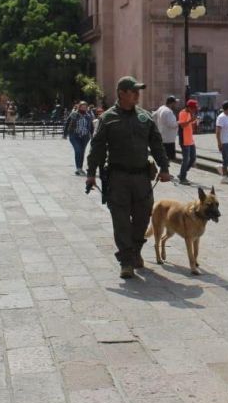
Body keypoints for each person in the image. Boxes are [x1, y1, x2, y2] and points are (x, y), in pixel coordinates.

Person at [86, 76, 171, 279]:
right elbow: (97, 148)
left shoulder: (145, 117)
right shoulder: (108, 118)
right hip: (118, 178)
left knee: (143, 218)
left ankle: (135, 251)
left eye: (138, 91)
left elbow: (157, 144)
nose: (137, 95)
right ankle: (126, 261)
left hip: (142, 177)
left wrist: (164, 167)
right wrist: (91, 174)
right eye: (134, 91)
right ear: (122, 93)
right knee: (121, 220)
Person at [64, 101, 95, 175]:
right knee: (78, 150)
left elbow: (91, 126)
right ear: (79, 107)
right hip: (74, 135)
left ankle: (80, 168)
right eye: (82, 107)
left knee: (82, 151)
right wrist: (65, 134)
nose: (84, 108)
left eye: (85, 107)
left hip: (85, 136)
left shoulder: (88, 116)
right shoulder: (74, 114)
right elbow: (67, 123)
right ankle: (78, 168)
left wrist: (92, 134)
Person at [177, 99, 200, 185]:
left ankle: (182, 173)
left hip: (190, 139)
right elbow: (182, 125)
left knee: (193, 158)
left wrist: (195, 120)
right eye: (193, 108)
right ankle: (183, 178)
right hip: (184, 140)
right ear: (189, 107)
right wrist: (191, 120)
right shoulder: (182, 113)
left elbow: (190, 123)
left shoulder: (190, 113)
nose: (195, 109)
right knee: (186, 159)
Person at [152, 96, 180, 161]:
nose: (176, 105)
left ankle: (164, 169)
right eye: (175, 103)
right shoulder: (168, 112)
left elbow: (153, 116)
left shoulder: (161, 108)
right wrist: (180, 122)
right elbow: (172, 124)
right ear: (172, 103)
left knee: (164, 158)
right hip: (168, 140)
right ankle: (165, 170)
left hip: (163, 136)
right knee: (168, 159)